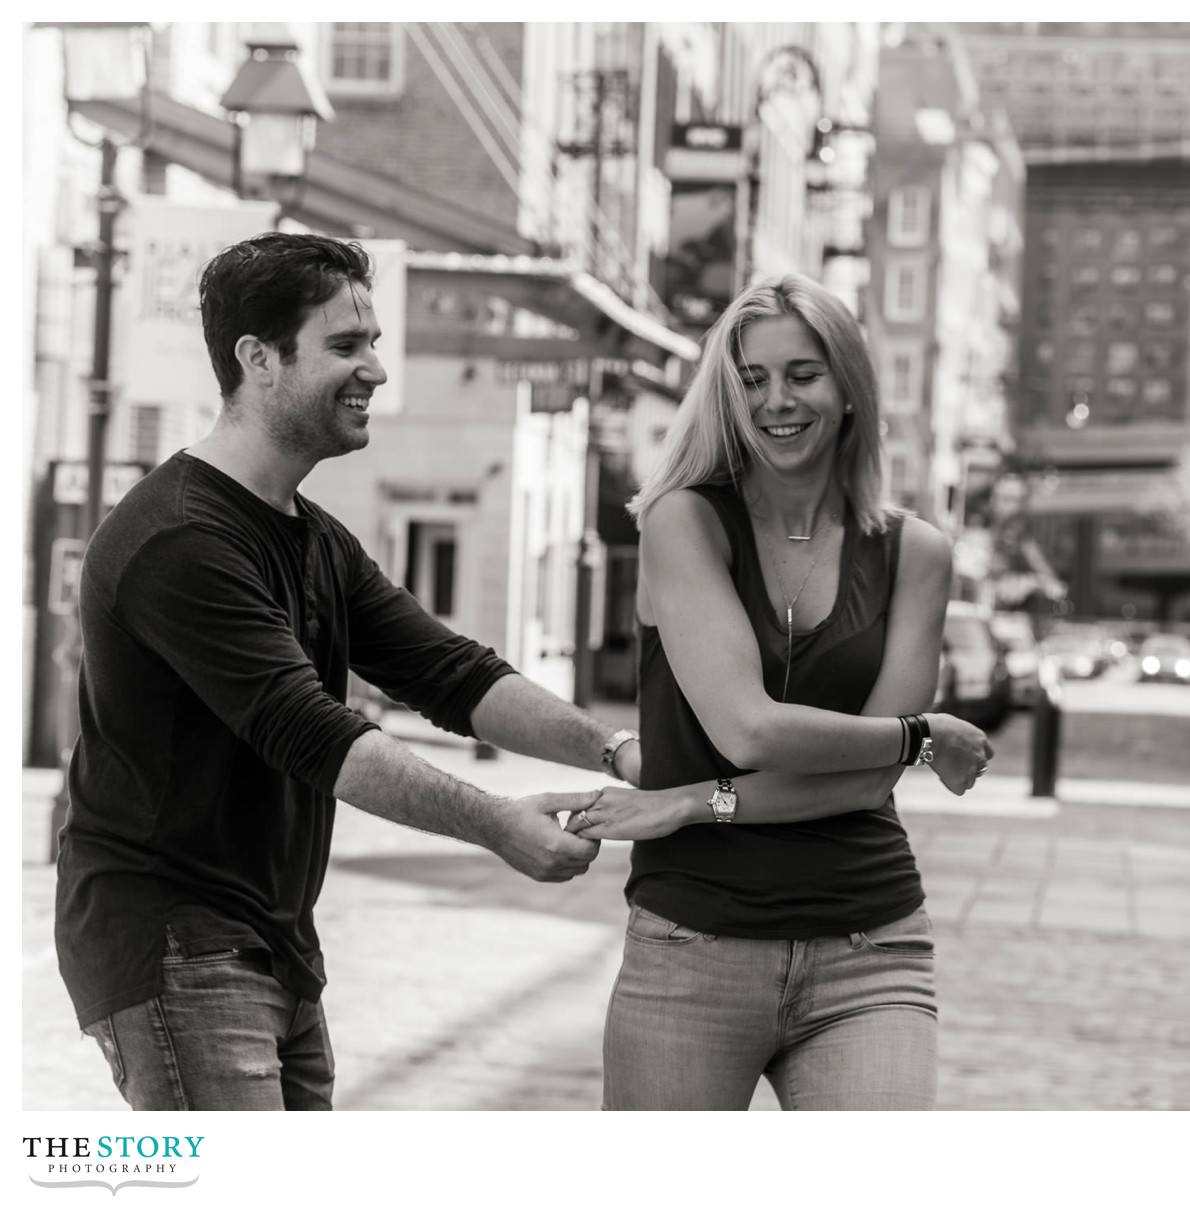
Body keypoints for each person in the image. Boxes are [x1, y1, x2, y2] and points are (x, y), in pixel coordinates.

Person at [55, 232, 637, 1111]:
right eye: (346, 345)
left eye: (373, 343)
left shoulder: (312, 535)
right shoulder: (181, 540)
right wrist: (499, 827)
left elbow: (449, 673)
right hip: (176, 941)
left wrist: (616, 750)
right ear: (259, 360)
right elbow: (315, 735)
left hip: (273, 941)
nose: (376, 370)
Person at [562, 273, 994, 1110]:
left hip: (869, 947)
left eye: (802, 374)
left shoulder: (918, 554)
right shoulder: (681, 521)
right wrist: (921, 734)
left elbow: (863, 783)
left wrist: (690, 804)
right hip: (693, 946)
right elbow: (749, 730)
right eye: (751, 379)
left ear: (850, 390)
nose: (775, 402)